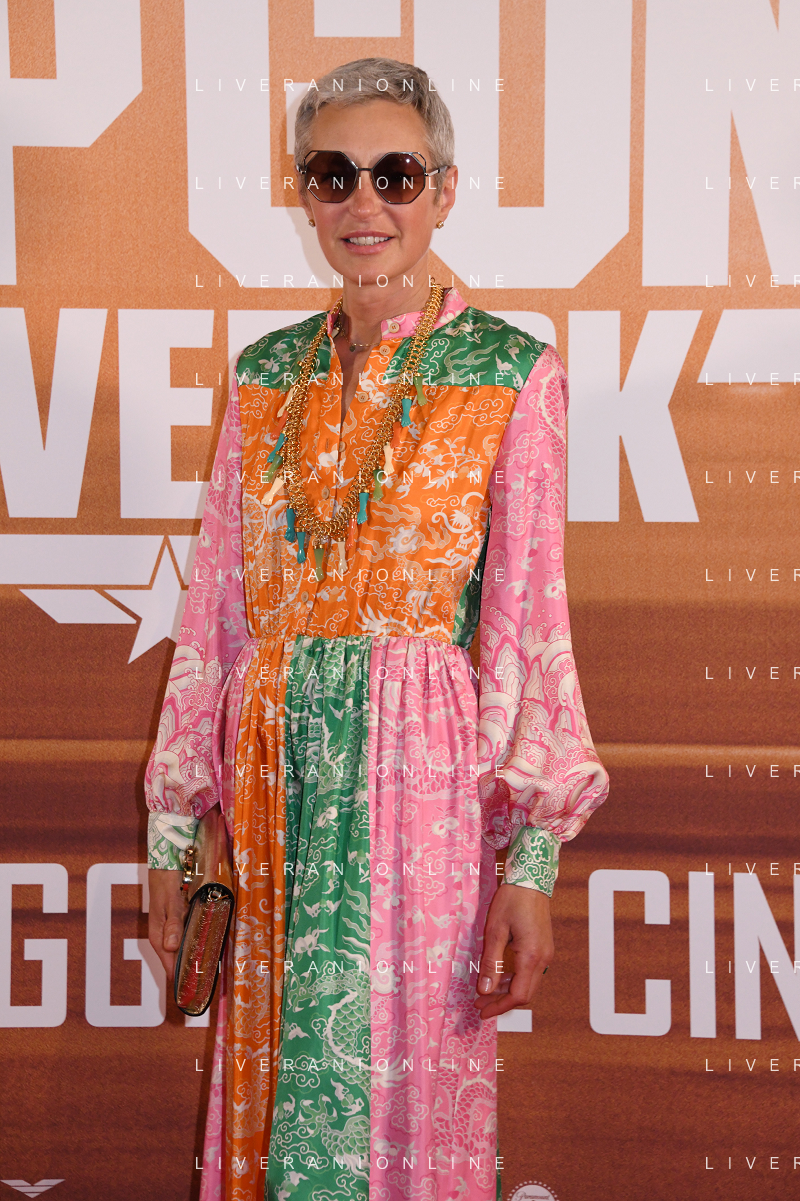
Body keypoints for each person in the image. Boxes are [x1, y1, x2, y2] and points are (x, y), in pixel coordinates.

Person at [145, 56, 609, 1201]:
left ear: (442, 190)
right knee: (276, 1105)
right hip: (271, 792)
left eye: (394, 174)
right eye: (332, 175)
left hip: (422, 797)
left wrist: (531, 860)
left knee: (398, 1097)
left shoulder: (510, 374)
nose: (364, 203)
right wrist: (171, 832)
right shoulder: (263, 377)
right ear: (303, 194)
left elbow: (530, 622)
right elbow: (214, 615)